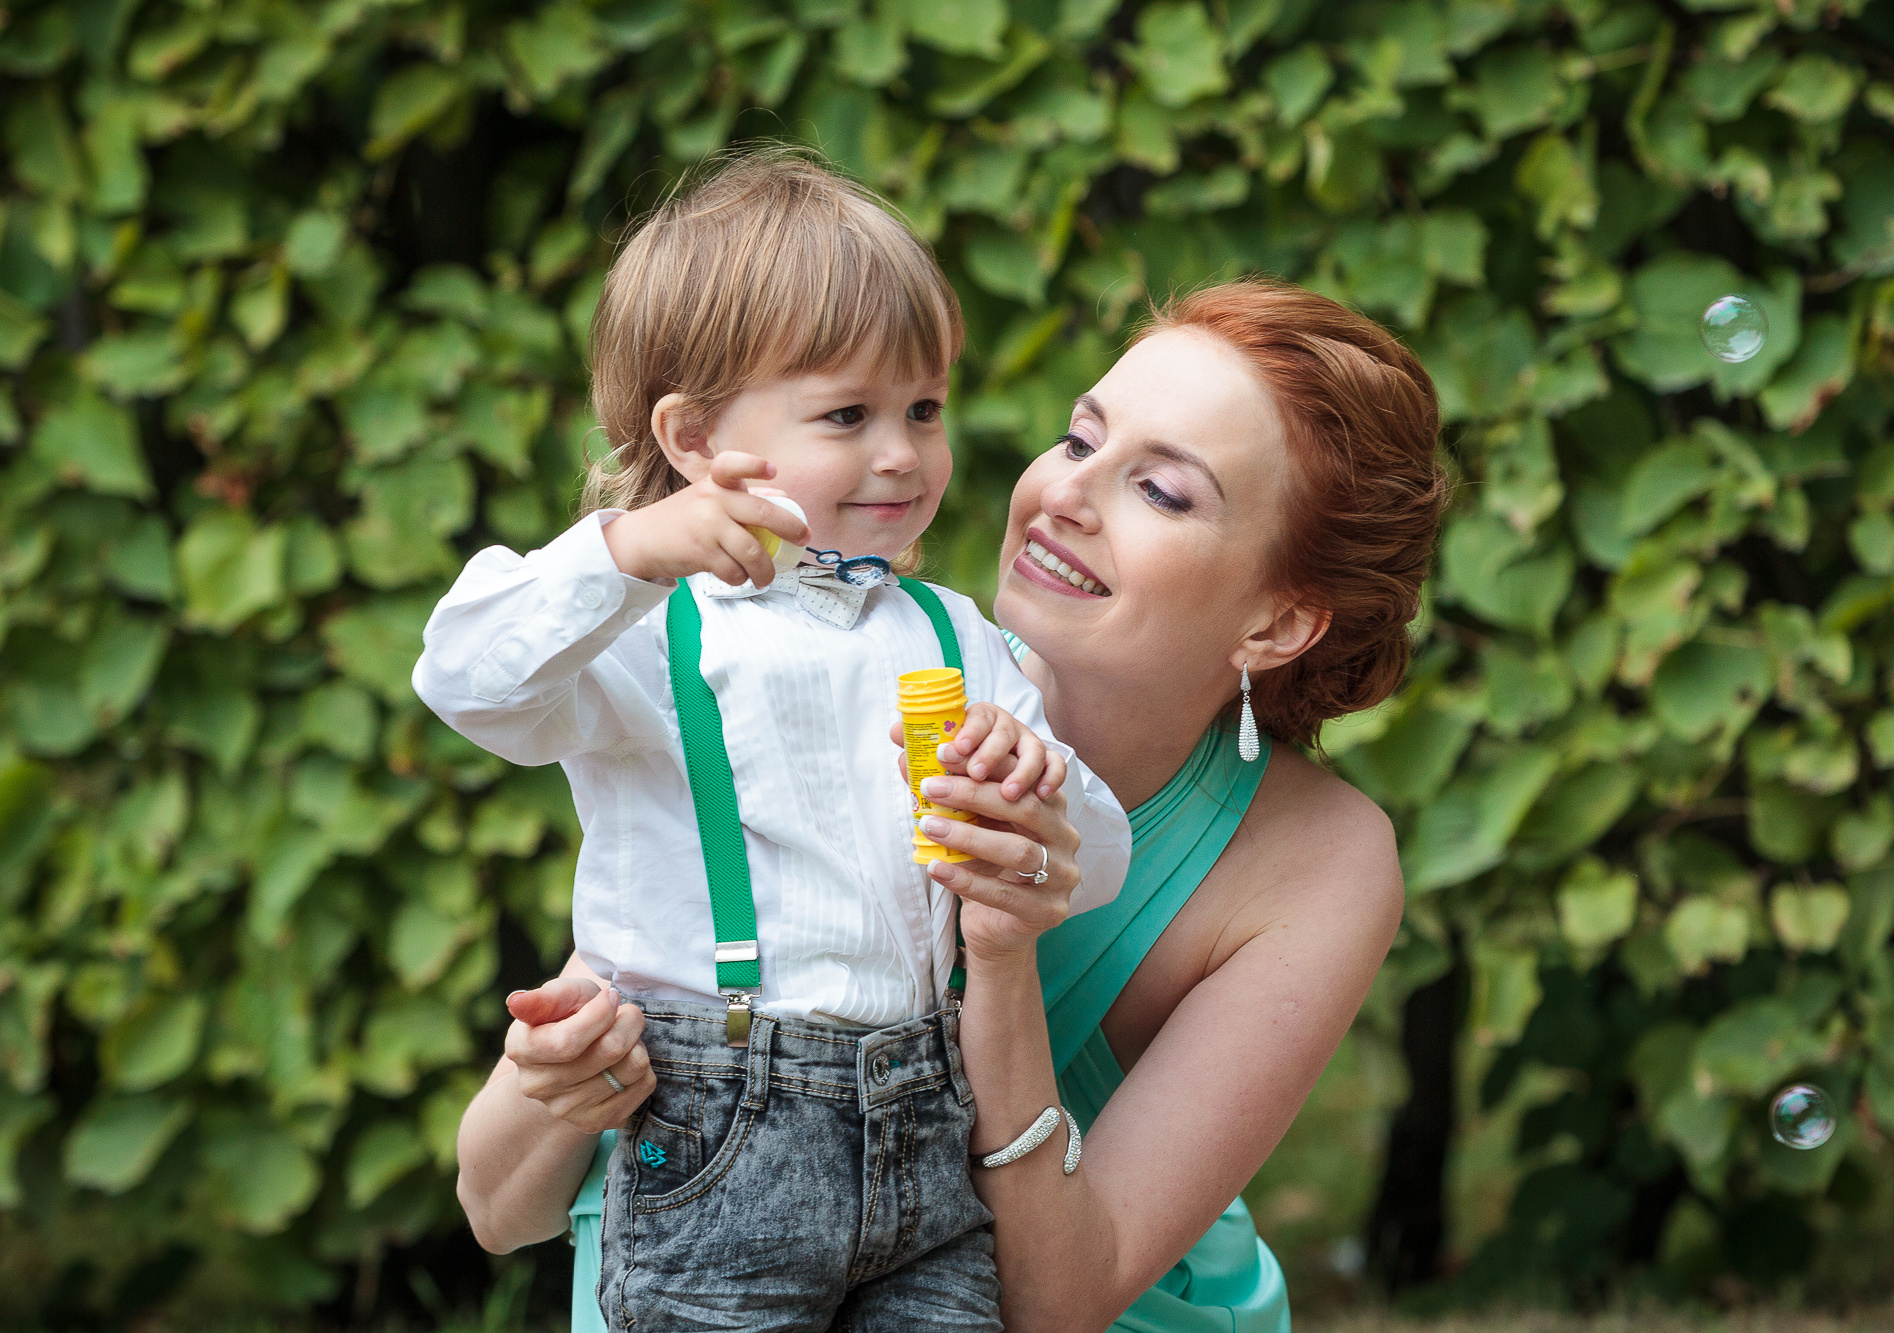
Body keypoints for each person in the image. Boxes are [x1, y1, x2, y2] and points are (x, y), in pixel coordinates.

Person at [456, 276, 1447, 1332]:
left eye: (1159, 490)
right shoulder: (858, 689)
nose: (1065, 494)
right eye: (1078, 441)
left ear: (1276, 621)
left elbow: (1054, 1300)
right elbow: (498, 1204)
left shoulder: (1319, 860)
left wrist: (1006, 951)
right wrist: (564, 1082)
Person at [415, 148, 1132, 1333]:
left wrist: (1038, 804)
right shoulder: (646, 627)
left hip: (922, 1124)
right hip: (714, 1128)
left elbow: (1091, 864)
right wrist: (626, 549)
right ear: (694, 438)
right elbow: (463, 680)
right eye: (846, 415)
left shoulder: (956, 637)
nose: (900, 454)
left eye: (923, 409)